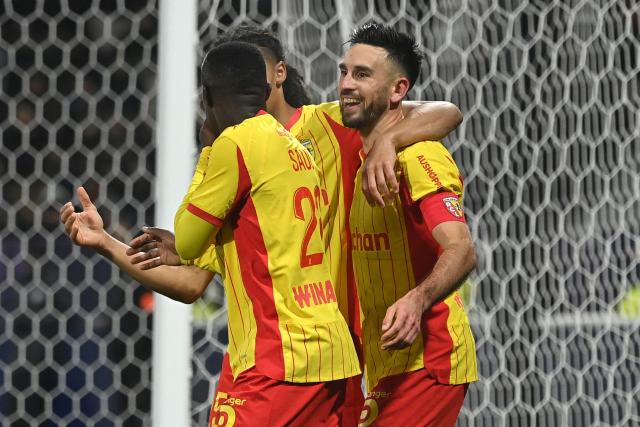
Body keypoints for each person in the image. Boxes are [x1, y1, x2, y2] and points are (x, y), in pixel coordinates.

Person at [127, 25, 465, 426]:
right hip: (321, 353)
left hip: (321, 353)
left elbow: (445, 110)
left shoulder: (330, 125)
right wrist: (109, 243)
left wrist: (391, 141)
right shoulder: (236, 152)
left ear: (279, 73)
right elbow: (194, 280)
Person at [338, 23, 478, 426]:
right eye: (344, 71)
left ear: (398, 90)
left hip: (429, 360)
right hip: (386, 362)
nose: (346, 84)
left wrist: (418, 299)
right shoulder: (355, 152)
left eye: (362, 75)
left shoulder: (419, 158)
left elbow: (463, 250)